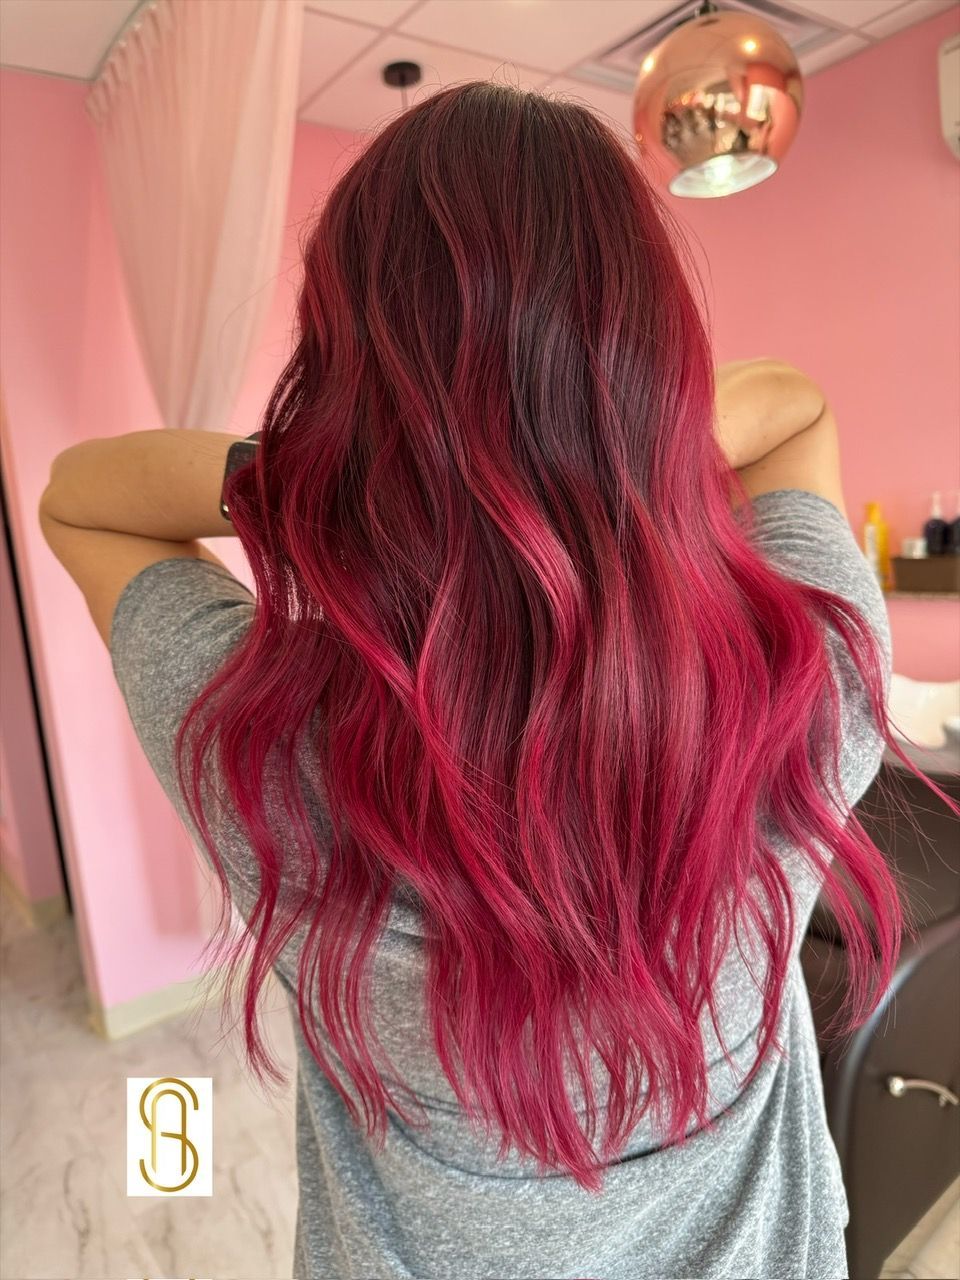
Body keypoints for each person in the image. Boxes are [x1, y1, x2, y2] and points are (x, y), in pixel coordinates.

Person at [39, 81, 946, 1280]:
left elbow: (83, 501)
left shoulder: (275, 754)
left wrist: (342, 476)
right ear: (654, 355)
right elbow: (795, 413)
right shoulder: (813, 685)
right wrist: (601, 445)